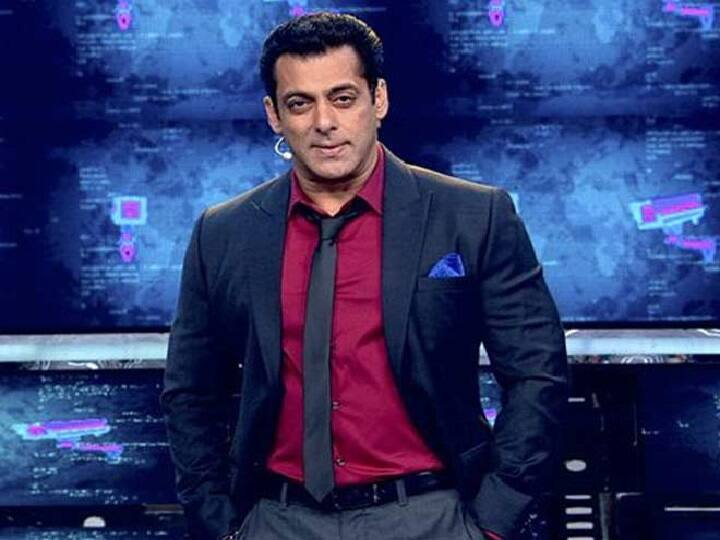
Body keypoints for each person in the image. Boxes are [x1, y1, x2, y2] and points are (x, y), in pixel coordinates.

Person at [161, 12, 568, 540]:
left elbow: (538, 372)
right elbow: (190, 393)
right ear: (274, 115)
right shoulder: (224, 233)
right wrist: (219, 523)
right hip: (275, 519)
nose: (324, 122)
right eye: (300, 103)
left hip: (431, 516)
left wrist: (493, 520)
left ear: (378, 99)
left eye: (343, 98)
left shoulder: (473, 216)